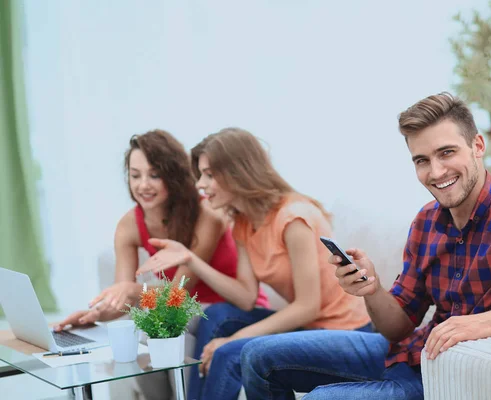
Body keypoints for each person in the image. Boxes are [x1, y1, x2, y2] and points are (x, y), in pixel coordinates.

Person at [238, 92, 491, 399]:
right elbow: (398, 325)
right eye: (422, 160)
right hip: (408, 350)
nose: (436, 171)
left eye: (446, 153)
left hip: (439, 375)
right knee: (255, 356)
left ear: (477, 146)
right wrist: (372, 289)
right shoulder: (427, 222)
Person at [135, 127, 372, 400]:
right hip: (307, 330)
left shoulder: (294, 218)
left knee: (229, 352)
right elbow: (246, 298)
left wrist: (233, 339)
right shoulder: (244, 223)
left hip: (344, 333)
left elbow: (308, 307)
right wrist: (191, 259)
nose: (200, 184)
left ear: (238, 172)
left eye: (209, 175)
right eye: (201, 175)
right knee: (219, 314)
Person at [54, 129, 269, 400]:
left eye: (154, 175)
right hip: (182, 310)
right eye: (135, 175)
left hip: (224, 308)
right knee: (141, 323)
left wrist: (133, 291)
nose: (143, 185)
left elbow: (178, 293)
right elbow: (124, 297)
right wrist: (94, 315)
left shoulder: (206, 215)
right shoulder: (129, 225)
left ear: (174, 175)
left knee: (153, 321)